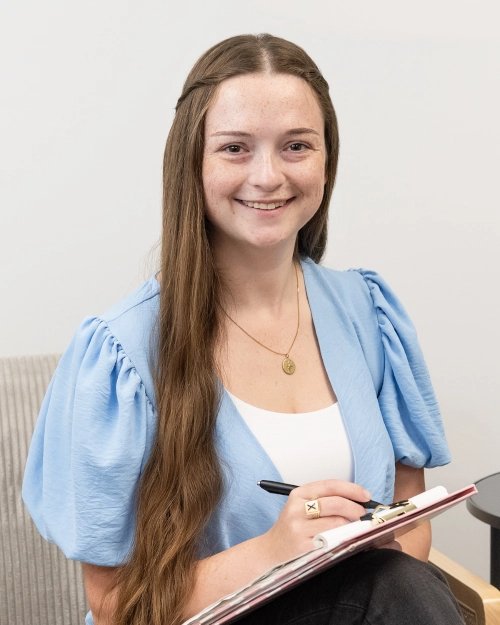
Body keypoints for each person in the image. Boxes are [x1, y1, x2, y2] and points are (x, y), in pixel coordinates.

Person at [22, 34, 464, 625]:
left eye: (296, 146)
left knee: (399, 582)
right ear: (192, 162)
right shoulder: (120, 353)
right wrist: (275, 551)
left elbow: (407, 518)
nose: (268, 175)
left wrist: (367, 546)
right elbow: (112, 604)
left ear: (327, 158)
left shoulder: (368, 312)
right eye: (235, 148)